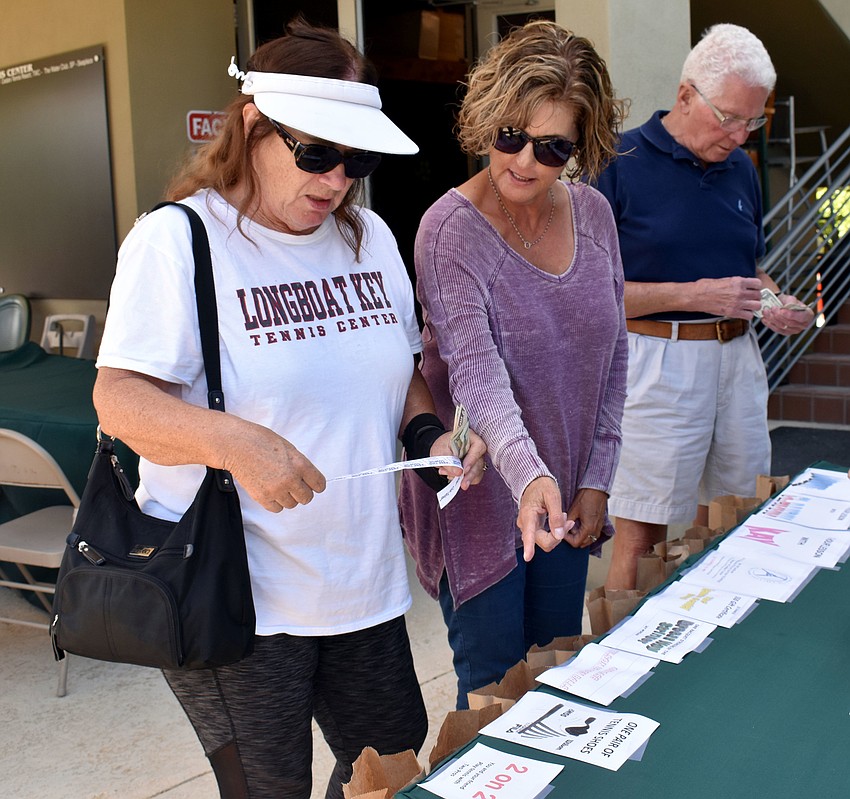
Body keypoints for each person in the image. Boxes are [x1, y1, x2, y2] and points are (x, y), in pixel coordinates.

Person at [92, 19, 485, 799]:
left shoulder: (370, 237)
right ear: (252, 127)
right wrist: (237, 443)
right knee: (270, 789)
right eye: (315, 153)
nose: (337, 179)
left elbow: (397, 372)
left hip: (360, 581)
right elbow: (118, 399)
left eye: (356, 159)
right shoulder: (180, 241)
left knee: (393, 759)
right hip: (236, 592)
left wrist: (431, 431)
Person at [398, 20, 628, 709]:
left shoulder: (594, 214)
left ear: (578, 148)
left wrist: (596, 478)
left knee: (557, 681)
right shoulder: (448, 228)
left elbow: (613, 354)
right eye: (511, 136)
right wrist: (530, 477)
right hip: (480, 497)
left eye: (553, 146)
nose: (525, 160)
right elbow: (476, 374)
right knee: (494, 698)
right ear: (486, 119)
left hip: (561, 496)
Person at [593, 24, 814, 591]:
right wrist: (693, 295)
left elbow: (747, 266)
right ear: (686, 94)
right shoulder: (617, 162)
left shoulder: (738, 168)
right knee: (642, 536)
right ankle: (620, 667)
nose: (741, 136)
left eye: (754, 120)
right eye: (730, 117)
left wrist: (773, 300)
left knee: (736, 516)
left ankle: (708, 649)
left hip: (738, 362)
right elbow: (587, 296)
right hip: (655, 363)